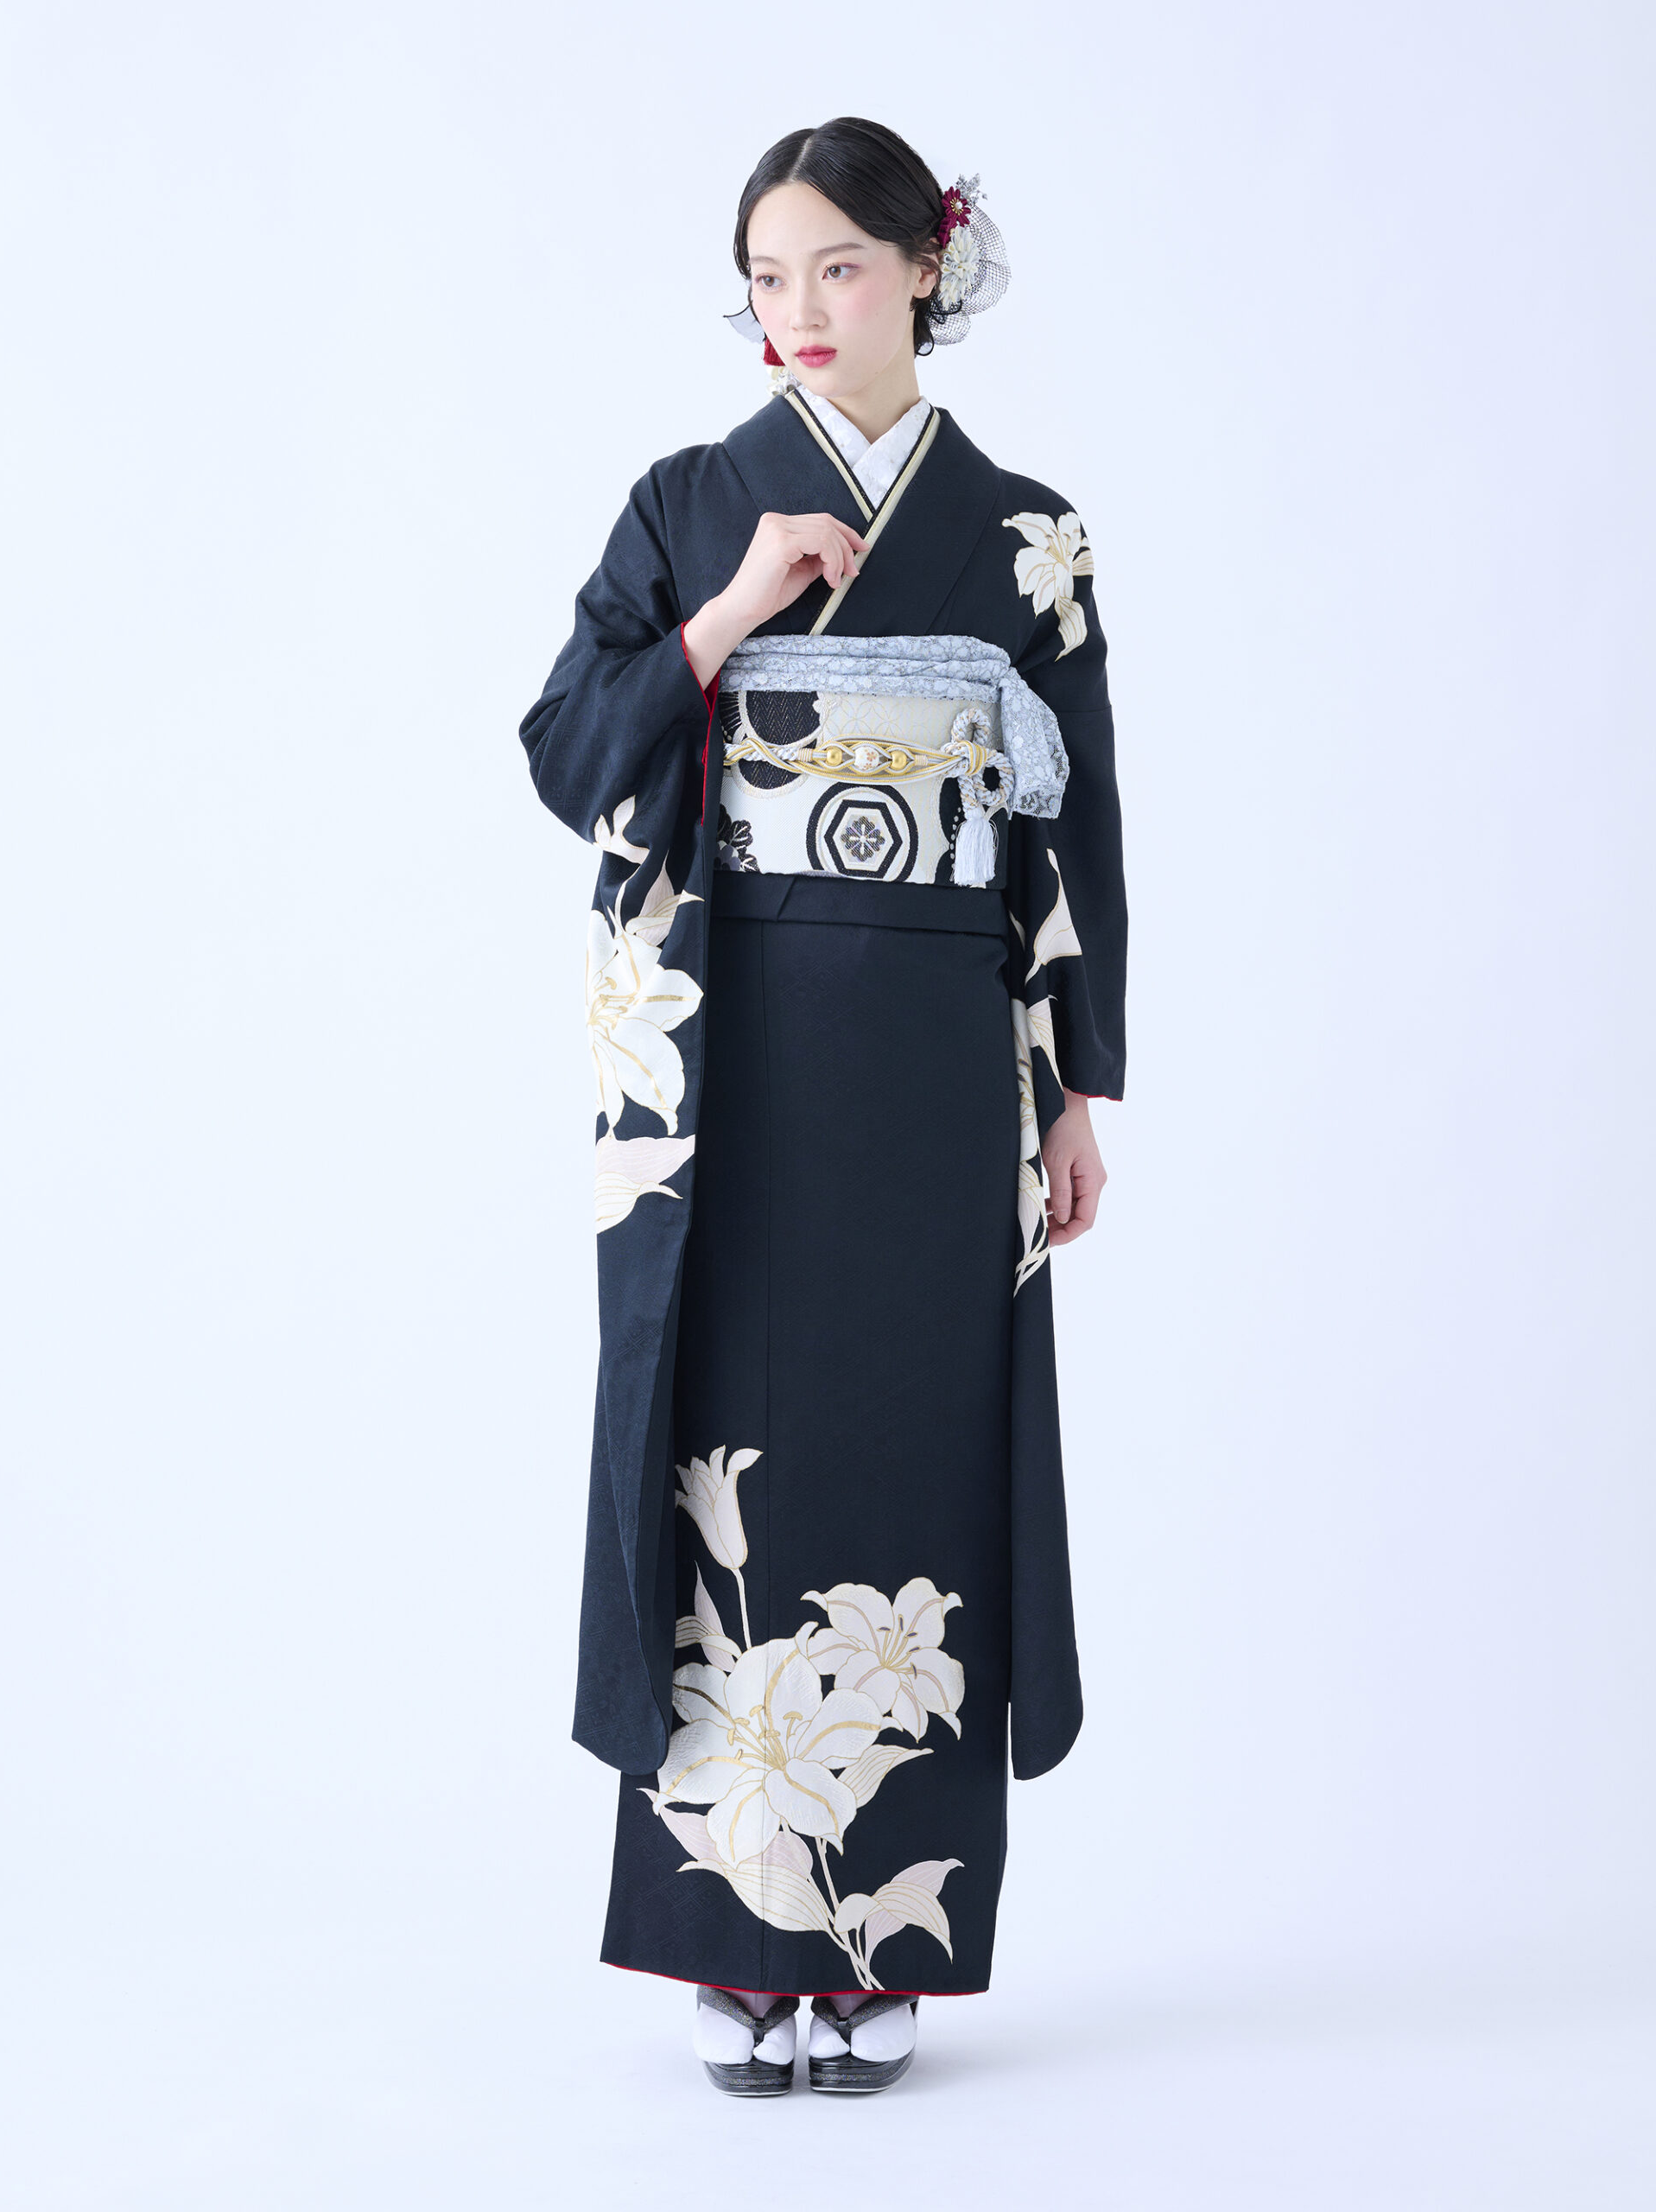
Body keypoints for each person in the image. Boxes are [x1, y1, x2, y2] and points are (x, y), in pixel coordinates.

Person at [519, 116, 1126, 2096]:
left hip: (943, 1066)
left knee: (913, 1456)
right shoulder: (688, 501)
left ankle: (881, 1943)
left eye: (838, 268)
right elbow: (568, 756)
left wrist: (1080, 1082)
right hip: (736, 1063)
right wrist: (725, 617)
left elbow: (1079, 821)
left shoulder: (1027, 533)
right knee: (726, 1452)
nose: (798, 310)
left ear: (925, 268)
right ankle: (731, 1926)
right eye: (766, 277)